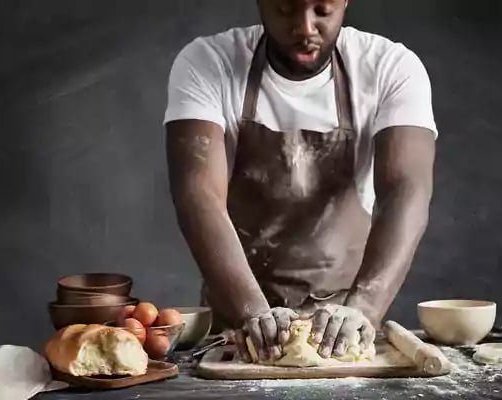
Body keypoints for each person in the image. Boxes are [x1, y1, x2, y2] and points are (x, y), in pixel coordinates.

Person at [164, 0, 436, 363]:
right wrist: (253, 313)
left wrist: (364, 309)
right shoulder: (209, 63)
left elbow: (406, 191)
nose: (305, 28)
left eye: (322, 9)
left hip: (344, 330)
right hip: (238, 332)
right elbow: (198, 194)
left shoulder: (389, 68)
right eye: (285, 9)